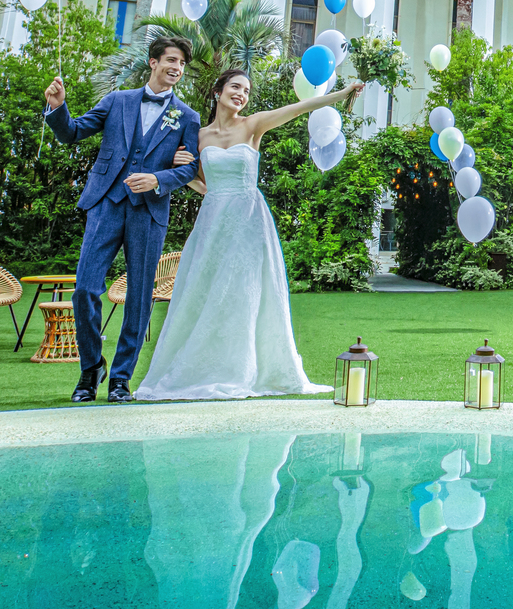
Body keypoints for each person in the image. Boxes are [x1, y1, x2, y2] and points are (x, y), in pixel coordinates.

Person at [134, 67, 363, 401]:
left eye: (246, 90)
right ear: (218, 92)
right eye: (235, 87)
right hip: (213, 221)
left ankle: (242, 370)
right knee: (205, 291)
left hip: (248, 220)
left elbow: (299, 108)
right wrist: (202, 188)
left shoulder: (253, 125)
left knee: (244, 292)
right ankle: (201, 368)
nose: (241, 94)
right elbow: (191, 178)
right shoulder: (199, 136)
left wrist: (341, 94)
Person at [44, 35, 203, 404]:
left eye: (181, 63)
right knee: (84, 288)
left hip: (148, 212)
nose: (176, 68)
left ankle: (120, 379)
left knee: (139, 298)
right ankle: (90, 368)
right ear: (153, 62)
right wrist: (58, 109)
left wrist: (158, 179)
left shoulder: (188, 117)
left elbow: (192, 165)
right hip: (106, 203)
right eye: (171, 60)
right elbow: (73, 132)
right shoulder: (117, 101)